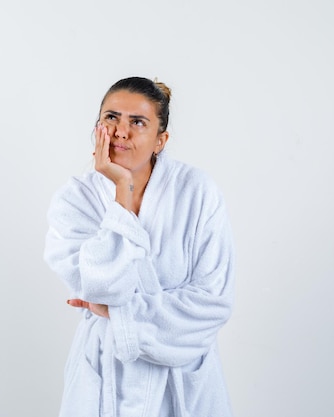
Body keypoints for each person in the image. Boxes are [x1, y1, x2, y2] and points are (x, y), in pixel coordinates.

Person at [44, 76, 235, 417]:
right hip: (105, 379)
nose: (120, 131)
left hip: (182, 385)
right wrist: (122, 190)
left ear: (160, 140)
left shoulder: (197, 192)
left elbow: (213, 303)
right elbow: (98, 287)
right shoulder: (75, 200)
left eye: (138, 122)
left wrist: (119, 313)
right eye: (111, 118)